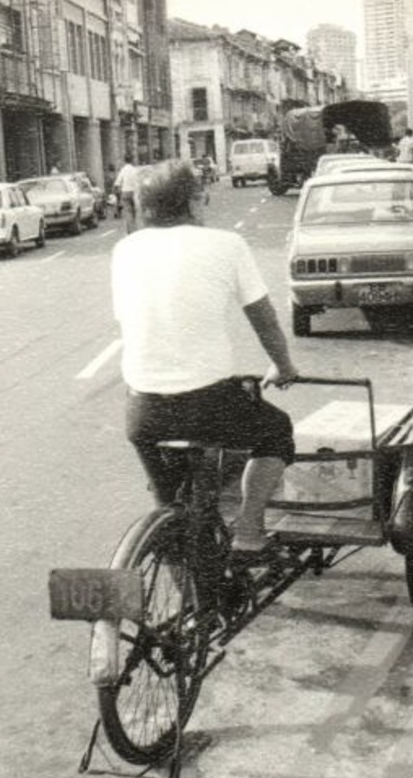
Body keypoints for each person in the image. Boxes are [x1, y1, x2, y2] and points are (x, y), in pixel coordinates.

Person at [110, 160, 301, 559]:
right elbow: (264, 321)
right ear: (194, 203)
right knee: (277, 432)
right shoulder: (226, 245)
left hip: (143, 410)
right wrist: (283, 367)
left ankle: (195, 592)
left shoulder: (124, 250)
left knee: (171, 508)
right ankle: (248, 532)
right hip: (207, 404)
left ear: (146, 207)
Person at [113, 159, 140, 231]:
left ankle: (130, 229)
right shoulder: (135, 170)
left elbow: (117, 182)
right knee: (135, 210)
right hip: (134, 192)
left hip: (125, 192)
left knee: (128, 211)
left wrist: (116, 190)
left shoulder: (123, 170)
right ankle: (136, 226)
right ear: (132, 161)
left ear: (124, 161)